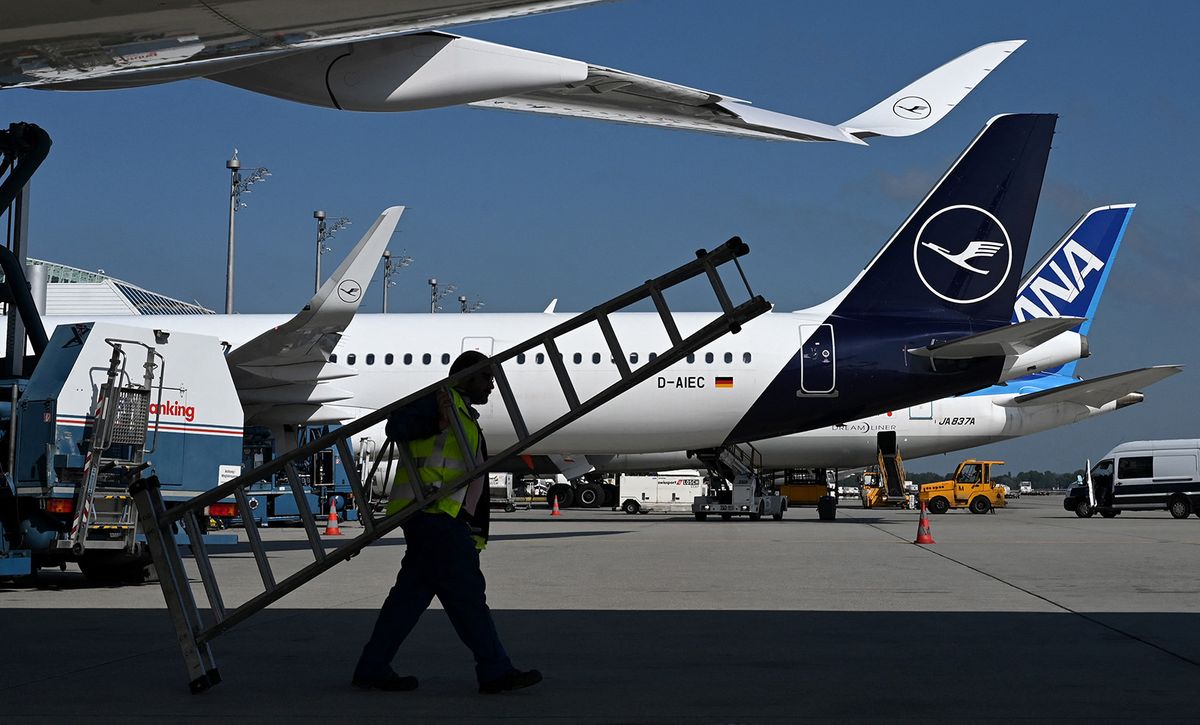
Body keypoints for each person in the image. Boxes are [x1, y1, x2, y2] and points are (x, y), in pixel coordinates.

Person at [353, 350, 542, 694]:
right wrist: (435, 422)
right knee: (468, 598)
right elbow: (396, 426)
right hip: (434, 516)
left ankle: (372, 666)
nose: (491, 387)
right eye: (486, 378)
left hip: (440, 517)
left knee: (408, 600)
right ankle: (495, 670)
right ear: (466, 376)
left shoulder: (463, 413)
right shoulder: (439, 400)